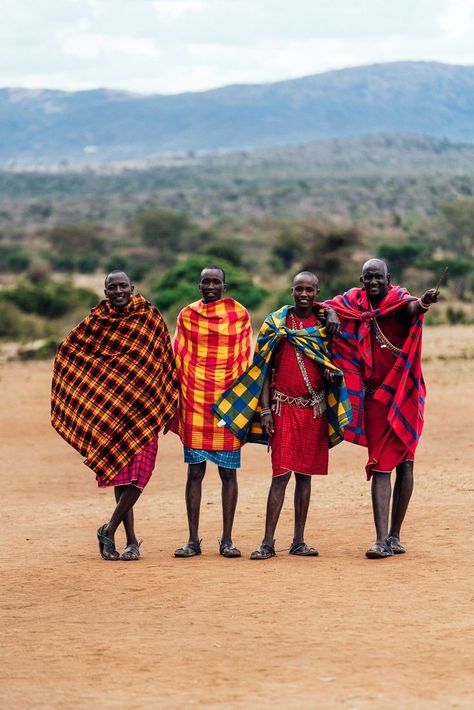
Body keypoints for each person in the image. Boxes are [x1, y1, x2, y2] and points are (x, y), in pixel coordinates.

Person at [213, 271, 351, 560]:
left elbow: (333, 364)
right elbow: (263, 369)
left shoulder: (325, 324)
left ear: (317, 292)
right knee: (281, 474)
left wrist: (331, 376)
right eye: (299, 289)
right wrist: (264, 410)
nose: (304, 294)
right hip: (281, 407)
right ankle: (267, 542)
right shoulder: (276, 323)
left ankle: (299, 540)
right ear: (291, 291)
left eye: (310, 290)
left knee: (305, 475)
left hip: (314, 408)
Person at [51, 271, 178, 561]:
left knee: (140, 477)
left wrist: (168, 402)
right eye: (112, 287)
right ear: (105, 291)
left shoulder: (149, 318)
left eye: (123, 286)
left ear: (133, 288)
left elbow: (164, 360)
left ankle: (107, 530)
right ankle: (130, 541)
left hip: (145, 410)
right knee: (122, 477)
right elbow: (68, 350)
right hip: (112, 413)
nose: (118, 290)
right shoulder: (96, 322)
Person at [325, 259, 439, 558]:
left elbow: (413, 309)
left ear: (389, 278)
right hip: (374, 398)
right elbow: (323, 305)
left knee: (406, 463)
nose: (373, 282)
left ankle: (395, 536)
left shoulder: (399, 301)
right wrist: (333, 313)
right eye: (368, 277)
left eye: (378, 277)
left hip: (406, 393)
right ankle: (379, 540)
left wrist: (424, 303)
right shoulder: (352, 302)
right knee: (380, 466)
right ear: (361, 279)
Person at [173, 265, 252, 558]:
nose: (210, 286)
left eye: (216, 282)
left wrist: (243, 404)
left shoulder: (239, 315)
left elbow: (244, 359)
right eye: (205, 282)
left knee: (228, 473)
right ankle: (192, 540)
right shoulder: (186, 315)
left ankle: (227, 540)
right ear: (198, 285)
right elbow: (179, 356)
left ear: (224, 286)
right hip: (194, 400)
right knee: (195, 473)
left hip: (228, 405)